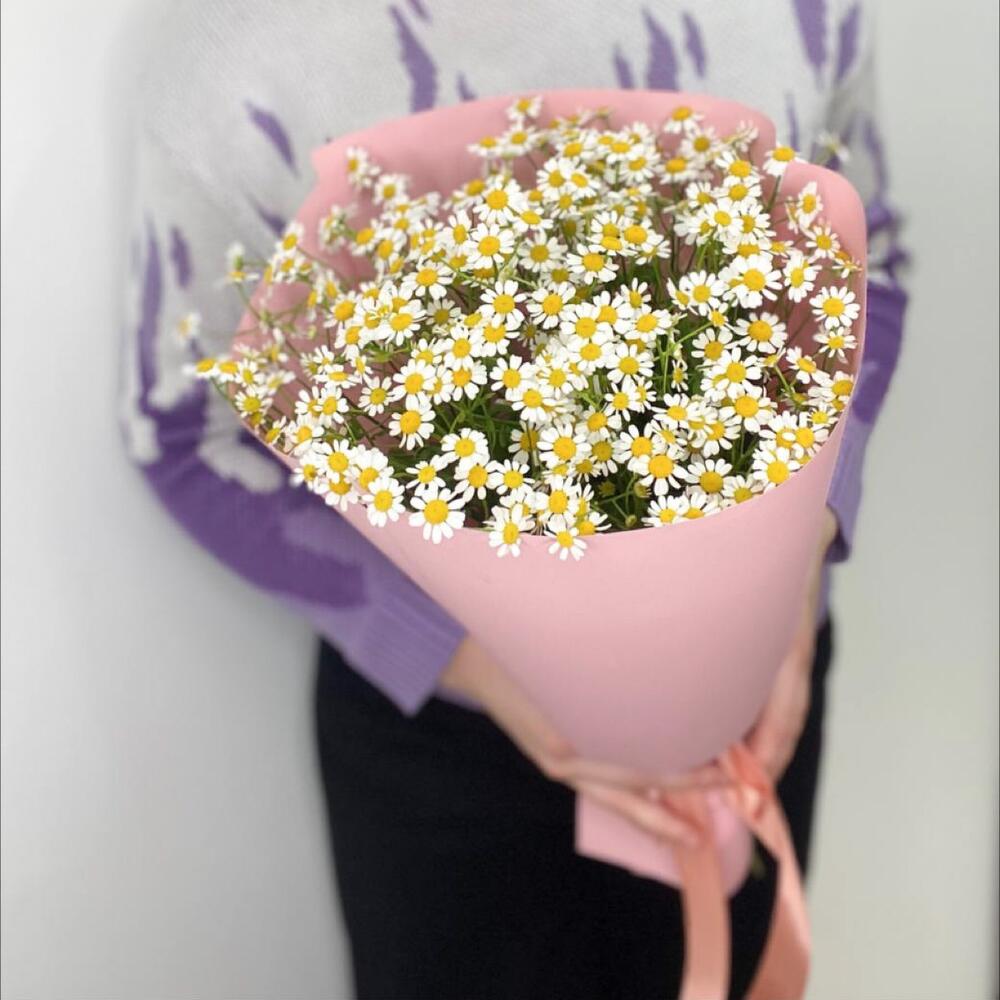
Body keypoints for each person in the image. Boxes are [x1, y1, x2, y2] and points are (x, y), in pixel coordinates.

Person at [120, 2, 907, 996]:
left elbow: (866, 261)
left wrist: (796, 559)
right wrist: (470, 655)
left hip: (755, 707)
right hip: (448, 760)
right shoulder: (240, 57)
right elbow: (184, 435)